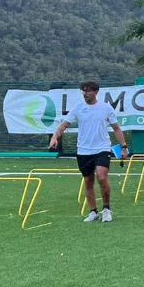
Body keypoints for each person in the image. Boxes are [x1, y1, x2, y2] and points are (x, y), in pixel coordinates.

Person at [48, 80, 128, 222]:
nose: (85, 94)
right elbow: (63, 125)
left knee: (102, 177)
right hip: (83, 151)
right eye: (83, 91)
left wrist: (124, 146)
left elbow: (116, 128)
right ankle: (93, 212)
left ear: (96, 92)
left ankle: (107, 209)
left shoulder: (105, 108)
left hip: (102, 148)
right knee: (88, 181)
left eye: (88, 91)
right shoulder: (78, 108)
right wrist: (54, 137)